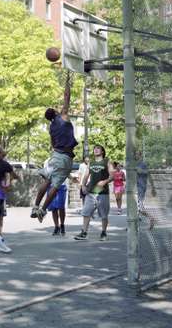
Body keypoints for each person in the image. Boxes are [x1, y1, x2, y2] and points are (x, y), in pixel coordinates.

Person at [30, 73, 78, 223]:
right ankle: (43, 209)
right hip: (66, 159)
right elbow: (67, 97)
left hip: (56, 155)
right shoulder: (63, 116)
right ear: (55, 112)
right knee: (56, 186)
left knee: (47, 179)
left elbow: (52, 144)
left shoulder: (51, 128)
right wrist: (68, 81)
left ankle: (36, 206)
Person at [74, 145, 114, 241]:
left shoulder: (107, 162)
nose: (95, 150)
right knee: (86, 212)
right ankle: (84, 232)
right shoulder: (91, 163)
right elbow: (86, 175)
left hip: (102, 191)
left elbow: (112, 176)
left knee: (103, 214)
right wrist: (83, 185)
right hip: (91, 191)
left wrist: (104, 182)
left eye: (98, 148)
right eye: (94, 148)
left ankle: (104, 233)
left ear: (102, 151)